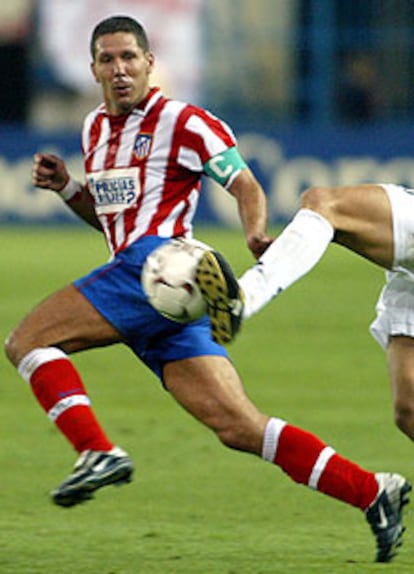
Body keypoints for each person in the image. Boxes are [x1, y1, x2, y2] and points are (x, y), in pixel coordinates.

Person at [3, 16, 409, 564]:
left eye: (129, 58)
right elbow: (111, 221)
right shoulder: (95, 129)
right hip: (153, 286)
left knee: (26, 341)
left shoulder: (184, 121)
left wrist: (255, 232)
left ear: (150, 63)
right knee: (240, 427)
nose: (119, 70)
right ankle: (372, 491)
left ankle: (97, 450)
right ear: (93, 67)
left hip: (163, 268)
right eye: (107, 60)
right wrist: (70, 188)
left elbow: (243, 181)